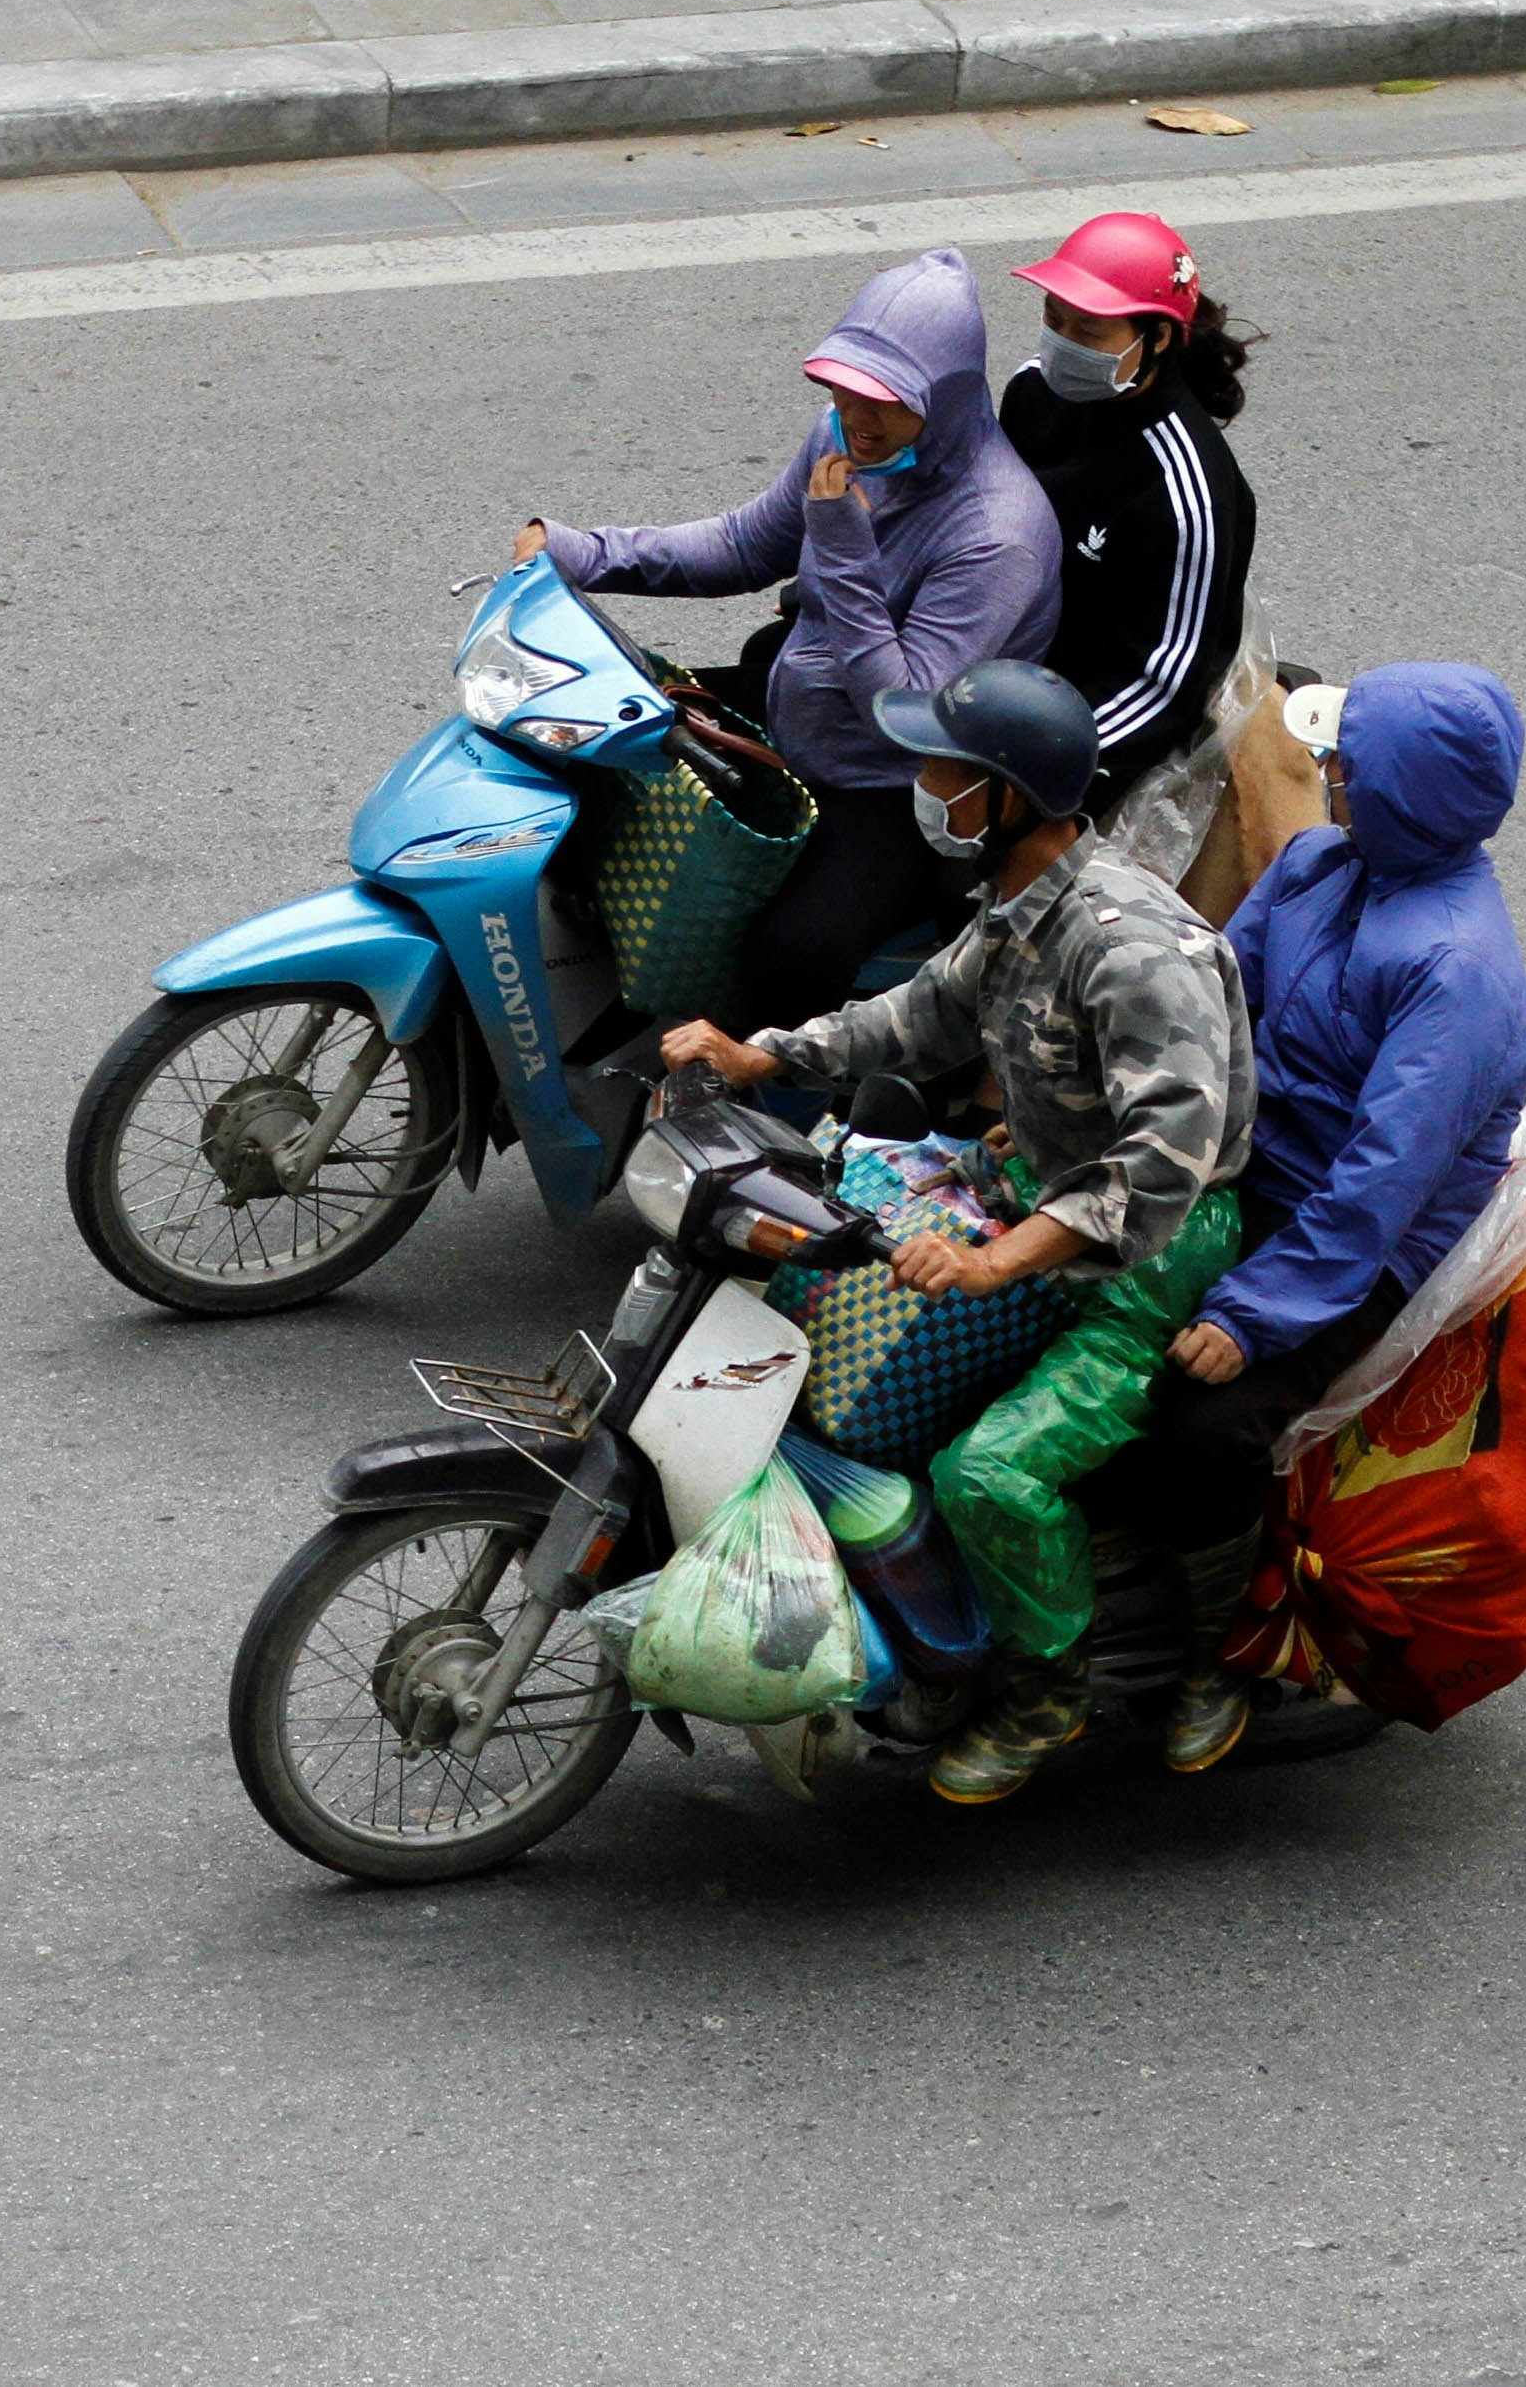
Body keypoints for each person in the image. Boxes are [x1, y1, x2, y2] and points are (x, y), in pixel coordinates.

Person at [657, 659, 1253, 1805]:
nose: (921, 786)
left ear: (1007, 796)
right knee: (808, 1312)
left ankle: (1048, 1689)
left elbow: (1159, 1167)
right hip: (1021, 1188)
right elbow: (916, 1015)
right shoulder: (1021, 906)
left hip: (1145, 1262)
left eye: (943, 768)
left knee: (985, 1471)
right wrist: (758, 1053)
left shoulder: (1130, 948)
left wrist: (993, 1261)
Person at [1123, 663, 1526, 1770]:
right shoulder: (1317, 863)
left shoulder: (1456, 974)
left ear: (1403, 797)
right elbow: (1211, 997)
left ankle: (1219, 1650)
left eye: (1346, 765)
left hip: (1343, 1250)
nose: (1325, 776)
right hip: (1249, 1175)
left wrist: (1252, 1315)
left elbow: (1373, 1188)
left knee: (1197, 1427)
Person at [514, 248, 1063, 1033]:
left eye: (884, 400)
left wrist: (842, 547)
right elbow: (746, 544)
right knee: (583, 738)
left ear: (945, 399)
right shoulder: (848, 441)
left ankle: (759, 1113)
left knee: (790, 957)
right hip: (796, 709)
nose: (857, 418)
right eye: (844, 389)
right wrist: (582, 552)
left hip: (890, 787)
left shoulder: (997, 535)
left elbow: (901, 708)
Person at [999, 213, 1261, 816]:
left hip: (1084, 734)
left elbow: (1161, 689)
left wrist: (1026, 764)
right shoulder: (1031, 393)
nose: (1061, 345)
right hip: (997, 670)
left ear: (1159, 339)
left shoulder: (1185, 493)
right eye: (1053, 320)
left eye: (1089, 333)